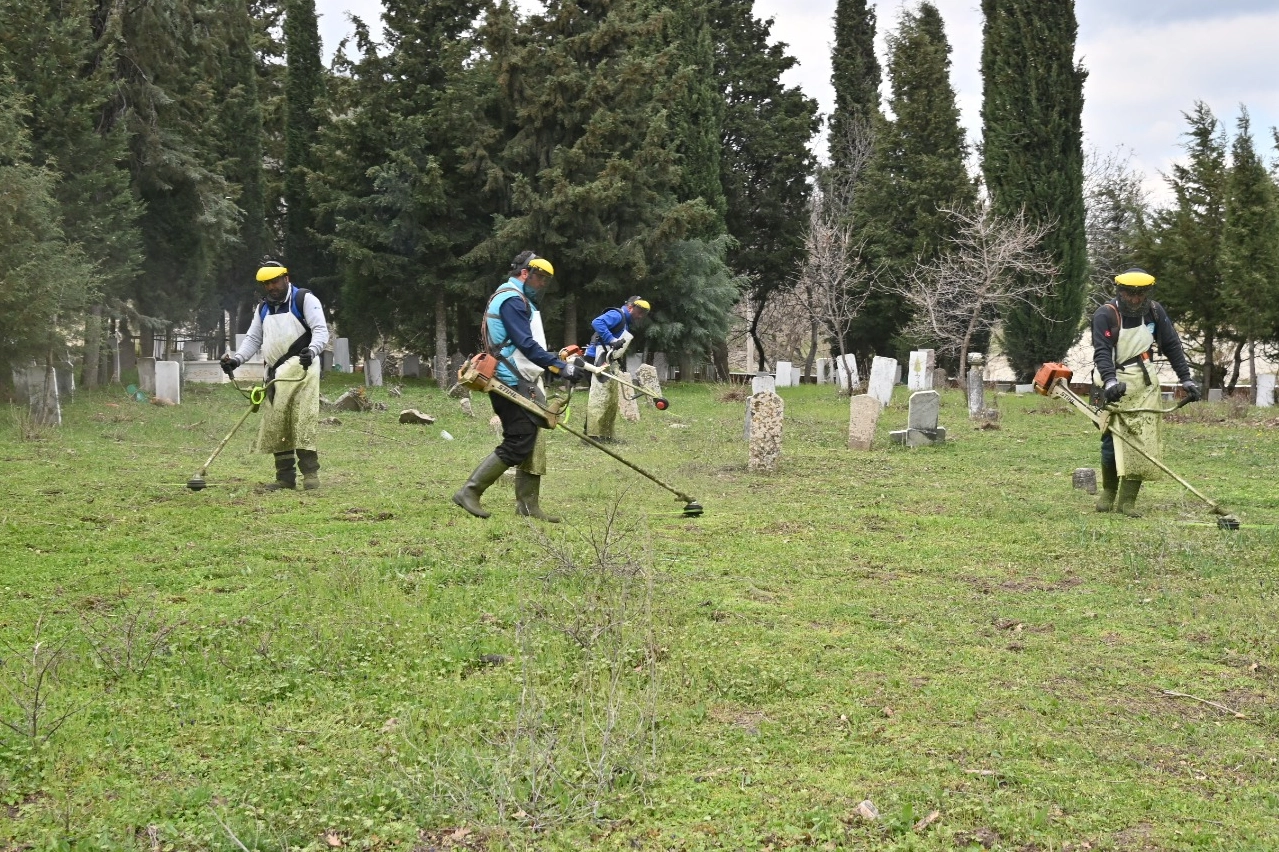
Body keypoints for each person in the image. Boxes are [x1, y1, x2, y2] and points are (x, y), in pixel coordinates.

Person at [452, 251, 585, 521]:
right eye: (539, 278)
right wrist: (559, 367)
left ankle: (527, 505)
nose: (542, 284)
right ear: (525, 273)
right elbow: (525, 344)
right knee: (519, 439)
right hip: (508, 380)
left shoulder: (514, 297)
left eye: (546, 280)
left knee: (531, 437)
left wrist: (557, 360)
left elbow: (522, 344)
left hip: (519, 377)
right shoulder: (512, 300)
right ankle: (469, 491)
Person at [1091, 267, 1199, 516]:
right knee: (1111, 440)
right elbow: (1102, 351)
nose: (1135, 299)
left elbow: (1172, 345)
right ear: (1120, 291)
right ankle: (1109, 491)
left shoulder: (1154, 312)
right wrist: (1110, 382)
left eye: (1140, 294)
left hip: (1144, 383)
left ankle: (1127, 501)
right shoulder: (1105, 314)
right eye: (1130, 294)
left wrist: (1186, 379)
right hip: (1112, 380)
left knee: (1142, 441)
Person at [220, 259, 330, 491]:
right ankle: (285, 477)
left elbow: (320, 331)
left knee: (302, 420)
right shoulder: (263, 308)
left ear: (286, 278)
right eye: (267, 283)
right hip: (275, 374)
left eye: (275, 281)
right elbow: (253, 338)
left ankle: (310, 474)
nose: (271, 287)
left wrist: (312, 350)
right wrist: (236, 360)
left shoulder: (304, 300)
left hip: (303, 370)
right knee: (276, 423)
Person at [583, 296, 650, 441]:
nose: (640, 316)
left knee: (608, 398)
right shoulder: (617, 315)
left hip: (606, 360)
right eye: (639, 312)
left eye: (643, 314)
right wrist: (612, 340)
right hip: (595, 359)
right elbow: (597, 322)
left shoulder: (625, 322)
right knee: (599, 397)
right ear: (630, 307)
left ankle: (604, 434)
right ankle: (591, 435)